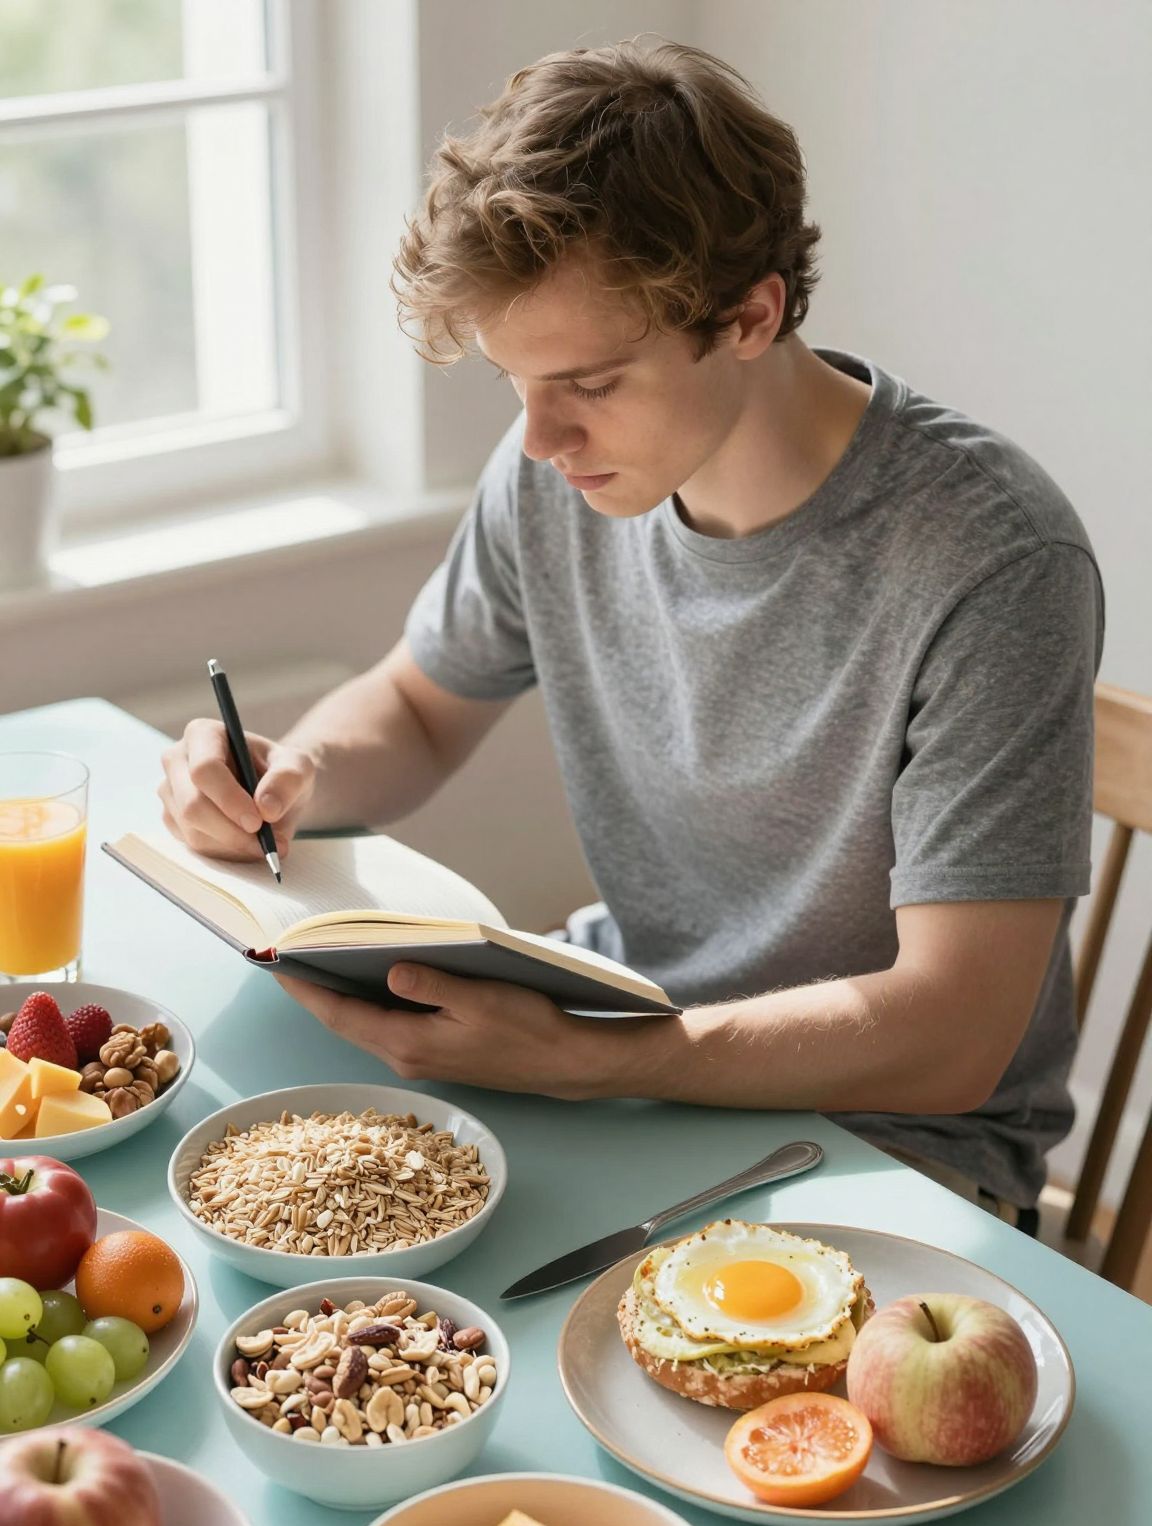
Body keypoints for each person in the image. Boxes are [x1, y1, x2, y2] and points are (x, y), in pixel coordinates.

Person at [158, 39, 1103, 1231]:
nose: (542, 440)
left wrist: (608, 1059)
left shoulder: (991, 557)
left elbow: (951, 1036)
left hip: (894, 1143)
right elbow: (412, 706)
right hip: (629, 1041)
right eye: (515, 382)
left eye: (592, 384)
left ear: (750, 314)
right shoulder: (557, 470)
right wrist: (288, 778)